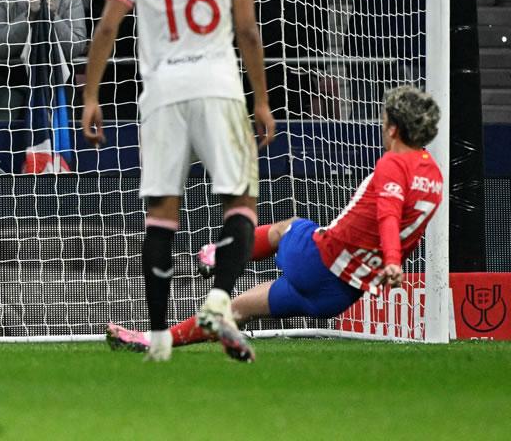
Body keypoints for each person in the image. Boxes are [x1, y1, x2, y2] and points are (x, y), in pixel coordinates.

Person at [81, 0, 276, 363]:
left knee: (162, 213)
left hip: (163, 91)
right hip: (217, 85)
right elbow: (248, 30)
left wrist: (90, 96)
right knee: (239, 199)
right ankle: (219, 299)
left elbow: (106, 27)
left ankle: (160, 338)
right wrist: (261, 99)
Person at [109, 85, 443, 360]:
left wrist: (394, 262)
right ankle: (155, 340)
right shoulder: (435, 179)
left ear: (395, 128)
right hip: (338, 295)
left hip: (319, 258)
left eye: (384, 122)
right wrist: (389, 260)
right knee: (235, 309)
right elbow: (402, 225)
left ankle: (216, 255)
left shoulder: (393, 163)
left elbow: (387, 212)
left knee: (289, 226)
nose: (382, 129)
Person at [0, 0, 88, 174]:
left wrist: (52, 18)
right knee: (3, 118)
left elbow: (77, 45)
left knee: (69, 121)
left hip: (55, 76)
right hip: (7, 75)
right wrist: (28, 16)